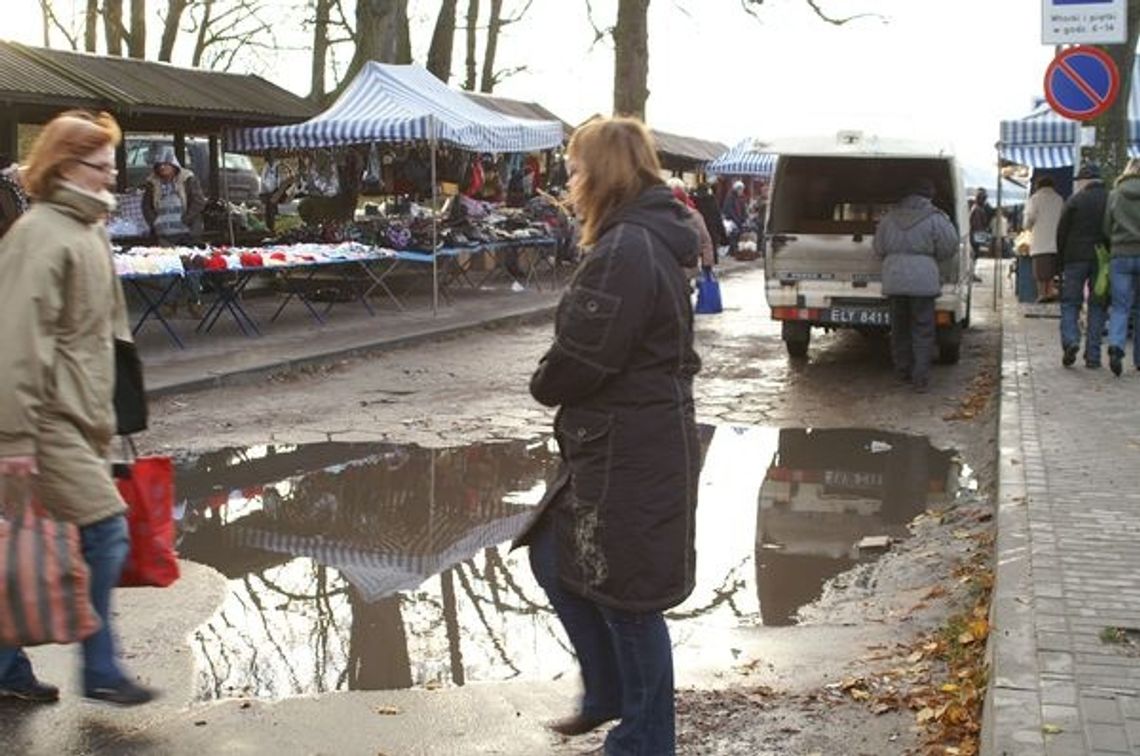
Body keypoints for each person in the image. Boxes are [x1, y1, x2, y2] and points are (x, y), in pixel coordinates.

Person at [520, 117, 701, 756]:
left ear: (603, 173)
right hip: (624, 439)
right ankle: (608, 693)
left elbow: (583, 358)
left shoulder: (628, 247)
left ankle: (643, 738)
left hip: (632, 445)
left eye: (573, 169)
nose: (567, 182)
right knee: (554, 555)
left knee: (628, 597)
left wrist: (545, 379)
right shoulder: (640, 238)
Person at [0, 110, 156, 706]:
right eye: (100, 166)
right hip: (44, 420)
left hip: (79, 415)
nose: (111, 176)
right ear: (66, 167)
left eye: (112, 165)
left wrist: (117, 408)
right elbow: (16, 340)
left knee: (25, 546)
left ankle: (7, 669)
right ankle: (100, 669)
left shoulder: (88, 228)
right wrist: (13, 441)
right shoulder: (39, 234)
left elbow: (102, 333)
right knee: (106, 529)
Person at [872, 177, 959, 392]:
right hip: (924, 280)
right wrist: (930, 259)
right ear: (929, 195)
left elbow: (878, 248)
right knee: (923, 329)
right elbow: (950, 247)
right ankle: (920, 378)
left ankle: (902, 371)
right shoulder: (936, 218)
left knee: (899, 328)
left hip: (894, 279)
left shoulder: (888, 218)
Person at [142, 147, 207, 315]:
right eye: (160, 165)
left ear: (174, 165)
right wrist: (154, 222)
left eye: (166, 164)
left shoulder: (188, 179)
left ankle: (195, 303)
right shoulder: (152, 182)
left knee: (191, 270)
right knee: (168, 270)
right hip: (164, 233)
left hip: (188, 232)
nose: (162, 168)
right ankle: (170, 304)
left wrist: (187, 219)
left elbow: (199, 201)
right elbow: (146, 206)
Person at [1056, 163, 1109, 368]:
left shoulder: (1074, 200)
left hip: (1074, 258)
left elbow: (1061, 234)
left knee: (1070, 303)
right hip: (1101, 259)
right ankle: (1093, 356)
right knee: (1098, 305)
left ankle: (1071, 340)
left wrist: (1060, 262)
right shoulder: (1109, 199)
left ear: (1085, 181)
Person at [1102, 158, 1140, 376]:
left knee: (1120, 305)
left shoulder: (1115, 194)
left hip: (1120, 255)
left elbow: (1107, 227)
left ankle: (1116, 346)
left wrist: (1115, 241)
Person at [1024, 175, 1064, 303]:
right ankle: (1050, 291)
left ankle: (1042, 294)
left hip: (1040, 240)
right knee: (1052, 270)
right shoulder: (1059, 199)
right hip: (1056, 241)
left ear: (1038, 186)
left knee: (1040, 271)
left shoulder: (1035, 199)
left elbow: (1029, 219)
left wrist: (1027, 227)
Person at [668, 177, 715, 272]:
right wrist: (707, 263)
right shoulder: (693, 214)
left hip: (676, 268)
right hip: (681, 267)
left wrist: (707, 263)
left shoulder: (692, 215)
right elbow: (706, 241)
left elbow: (705, 241)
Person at [259, 151, 293, 232]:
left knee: (271, 205)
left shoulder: (279, 166)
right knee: (270, 207)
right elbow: (265, 183)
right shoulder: (267, 167)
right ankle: (270, 228)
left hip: (277, 194)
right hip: (270, 194)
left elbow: (283, 184)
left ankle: (272, 228)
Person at [0, 158, 29, 239]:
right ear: (9, 173)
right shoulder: (5, 190)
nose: (18, 173)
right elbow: (9, 216)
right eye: (15, 170)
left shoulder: (14, 188)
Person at [721, 179, 747, 254]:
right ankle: (733, 250)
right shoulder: (730, 197)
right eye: (740, 189)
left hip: (738, 220)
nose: (741, 191)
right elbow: (729, 210)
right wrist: (737, 220)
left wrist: (743, 218)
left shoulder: (741, 198)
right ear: (736, 189)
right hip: (731, 221)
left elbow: (743, 209)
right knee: (733, 235)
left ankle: (735, 250)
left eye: (742, 190)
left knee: (737, 235)